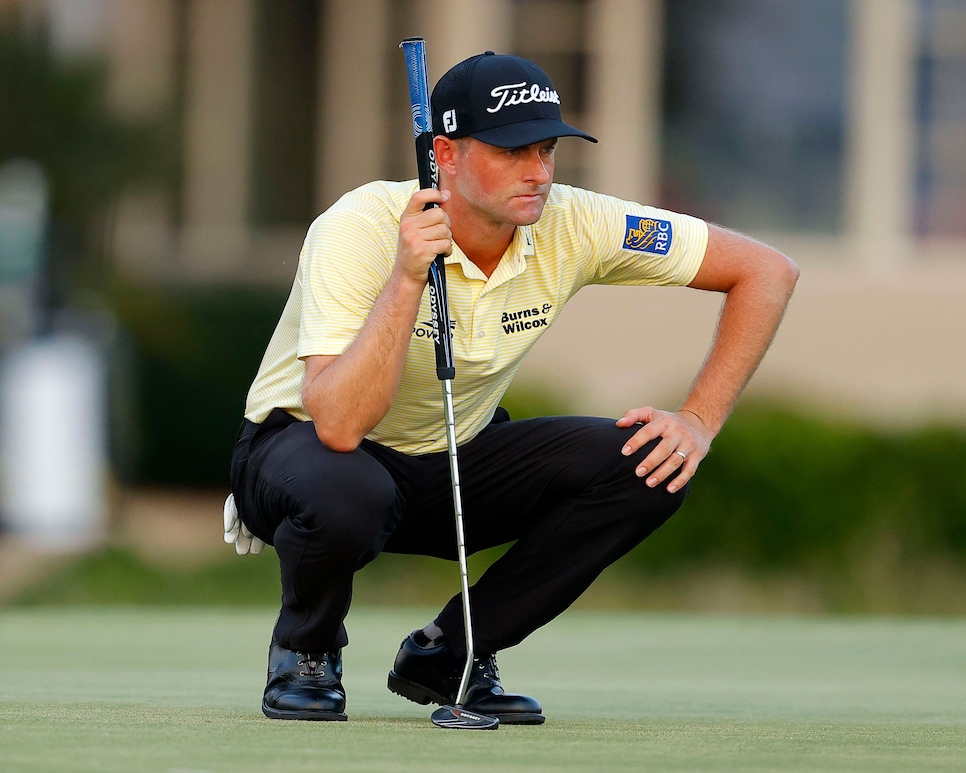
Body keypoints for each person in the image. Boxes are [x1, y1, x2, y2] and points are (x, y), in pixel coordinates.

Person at [225, 50, 799, 724]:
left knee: (650, 465)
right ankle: (307, 650)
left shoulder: (575, 221)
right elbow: (339, 425)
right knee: (350, 486)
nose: (539, 172)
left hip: (450, 459)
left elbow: (767, 270)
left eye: (547, 148)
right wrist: (407, 277)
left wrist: (699, 419)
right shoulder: (356, 228)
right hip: (306, 454)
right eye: (511, 150)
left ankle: (455, 652)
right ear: (447, 153)